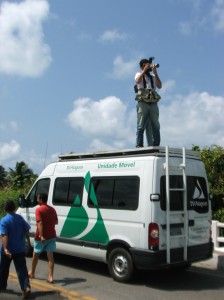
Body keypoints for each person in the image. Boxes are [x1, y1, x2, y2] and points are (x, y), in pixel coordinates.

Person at [0, 199, 31, 299]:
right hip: (20, 249)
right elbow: (26, 231)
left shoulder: (4, 220)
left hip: (8, 250)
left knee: (3, 269)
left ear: (5, 209)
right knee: (22, 270)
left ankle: (2, 286)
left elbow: (4, 235)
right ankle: (26, 287)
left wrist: (5, 248)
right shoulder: (20, 218)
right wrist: (28, 243)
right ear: (14, 208)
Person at [28, 193, 58, 283]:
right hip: (52, 235)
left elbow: (40, 223)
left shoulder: (39, 210)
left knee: (35, 255)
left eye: (38, 199)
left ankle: (32, 273)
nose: (37, 200)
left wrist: (41, 235)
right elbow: (56, 222)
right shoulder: (52, 209)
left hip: (42, 237)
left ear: (41, 199)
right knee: (50, 257)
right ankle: (50, 277)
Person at [135, 58, 162, 147]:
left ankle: (156, 144)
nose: (147, 67)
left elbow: (159, 86)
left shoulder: (152, 77)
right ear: (141, 67)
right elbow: (138, 81)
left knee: (155, 124)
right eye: (145, 65)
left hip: (153, 103)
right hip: (143, 102)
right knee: (141, 124)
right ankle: (139, 145)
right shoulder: (139, 74)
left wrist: (155, 73)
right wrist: (144, 71)